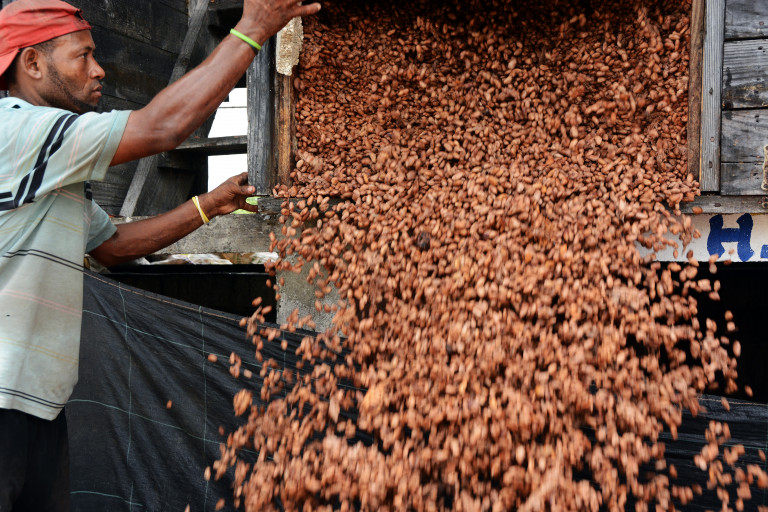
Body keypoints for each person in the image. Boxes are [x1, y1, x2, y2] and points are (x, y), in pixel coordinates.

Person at [0, 0, 320, 509]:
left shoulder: (52, 166)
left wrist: (208, 206)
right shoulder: (18, 130)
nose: (99, 70)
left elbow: (112, 247)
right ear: (32, 63)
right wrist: (254, 28)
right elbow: (162, 127)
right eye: (83, 56)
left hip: (37, 403)